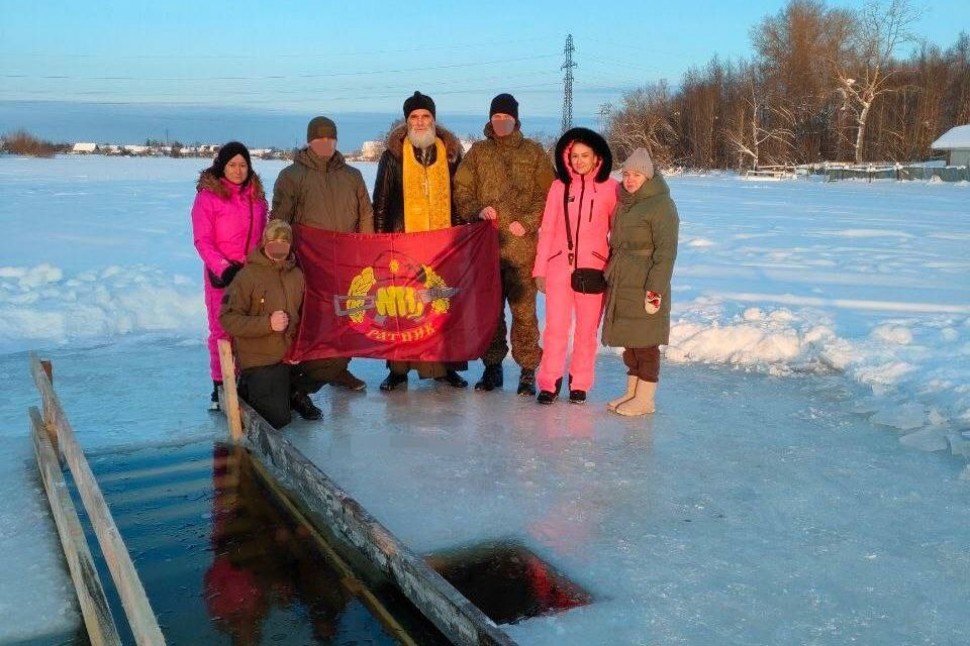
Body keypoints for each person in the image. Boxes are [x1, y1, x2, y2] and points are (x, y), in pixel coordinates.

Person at [271, 116, 374, 420]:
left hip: (346, 263)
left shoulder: (352, 175)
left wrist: (366, 252)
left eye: (330, 139)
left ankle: (339, 369)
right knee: (313, 323)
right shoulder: (292, 175)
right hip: (309, 263)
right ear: (309, 141)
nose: (325, 144)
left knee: (347, 318)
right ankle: (304, 378)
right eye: (319, 139)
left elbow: (365, 214)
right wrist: (284, 258)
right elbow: (280, 220)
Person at [453, 93, 554, 396]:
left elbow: (548, 194)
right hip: (488, 252)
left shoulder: (534, 153)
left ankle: (527, 370)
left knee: (524, 314)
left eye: (506, 117)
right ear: (490, 120)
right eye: (496, 117)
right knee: (491, 314)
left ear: (516, 119)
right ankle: (492, 367)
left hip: (522, 253)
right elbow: (462, 191)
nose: (501, 122)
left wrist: (528, 221)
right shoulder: (478, 153)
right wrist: (477, 210)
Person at [372, 91, 468, 391]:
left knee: (440, 303)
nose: (420, 121)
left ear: (434, 119)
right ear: (407, 121)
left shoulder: (450, 153)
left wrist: (464, 231)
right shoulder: (393, 155)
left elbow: (460, 197)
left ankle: (444, 366)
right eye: (414, 117)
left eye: (425, 116)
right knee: (403, 306)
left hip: (442, 243)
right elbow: (382, 200)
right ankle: (398, 369)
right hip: (404, 240)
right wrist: (380, 240)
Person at [532, 127, 618, 405]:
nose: (579, 161)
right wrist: (540, 269)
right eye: (574, 156)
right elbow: (547, 229)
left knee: (586, 331)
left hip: (593, 271)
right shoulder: (559, 187)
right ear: (566, 158)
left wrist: (613, 266)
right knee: (555, 329)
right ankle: (549, 382)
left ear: (597, 158)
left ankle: (579, 382)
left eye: (585, 155)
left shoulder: (610, 188)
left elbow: (619, 231)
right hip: (558, 268)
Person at [602, 148, 679, 416]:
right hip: (624, 280)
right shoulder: (626, 202)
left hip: (646, 282)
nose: (630, 179)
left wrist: (655, 290)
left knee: (646, 344)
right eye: (626, 174)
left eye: (636, 174)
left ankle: (645, 399)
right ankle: (632, 392)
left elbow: (666, 253)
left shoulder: (661, 205)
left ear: (648, 176)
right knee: (631, 342)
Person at [191, 141, 267, 411]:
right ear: (222, 166)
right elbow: (203, 241)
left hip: (251, 275)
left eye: (243, 165)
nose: (238, 170)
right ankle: (220, 386)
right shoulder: (208, 197)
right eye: (232, 165)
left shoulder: (257, 198)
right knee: (222, 331)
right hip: (221, 274)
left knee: (248, 330)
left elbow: (263, 237)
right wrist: (224, 268)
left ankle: (244, 381)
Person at [219, 220, 305, 429]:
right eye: (273, 242)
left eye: (283, 243)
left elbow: (303, 315)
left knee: (328, 364)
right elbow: (227, 319)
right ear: (264, 243)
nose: (278, 248)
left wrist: (298, 347)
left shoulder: (297, 275)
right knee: (277, 420)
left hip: (288, 356)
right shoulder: (247, 276)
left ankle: (292, 393)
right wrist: (267, 324)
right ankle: (250, 389)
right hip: (260, 358)